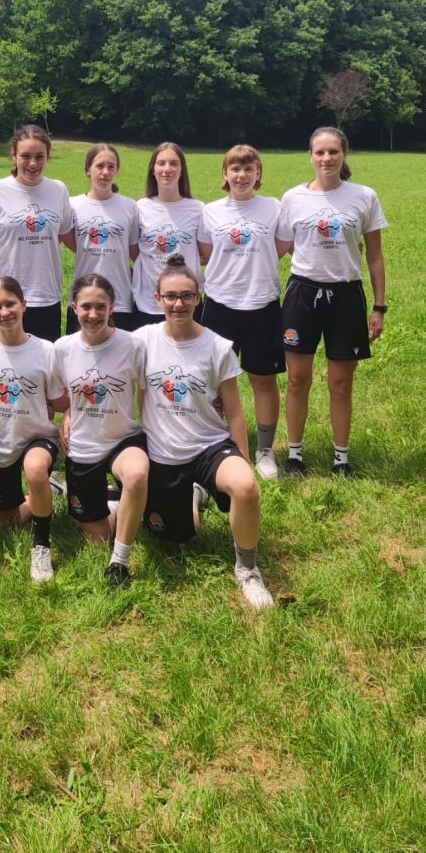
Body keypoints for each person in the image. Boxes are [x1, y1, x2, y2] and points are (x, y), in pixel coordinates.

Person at [136, 255, 274, 609]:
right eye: (170, 296)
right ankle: (193, 497)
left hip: (209, 446)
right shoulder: (142, 341)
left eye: (186, 296)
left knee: (245, 487)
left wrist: (243, 461)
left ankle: (247, 569)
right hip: (164, 453)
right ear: (157, 299)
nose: (178, 304)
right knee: (179, 537)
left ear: (199, 298)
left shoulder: (218, 346)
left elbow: (235, 411)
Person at [276, 127, 388, 477]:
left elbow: (375, 255)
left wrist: (380, 307)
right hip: (302, 295)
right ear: (310, 155)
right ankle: (294, 455)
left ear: (344, 154)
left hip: (346, 296)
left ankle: (341, 458)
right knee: (297, 379)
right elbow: (283, 245)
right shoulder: (292, 198)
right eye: (320, 152)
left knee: (341, 383)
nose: (326, 158)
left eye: (333, 152)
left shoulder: (364, 196)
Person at [52, 274, 149, 587]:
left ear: (112, 308)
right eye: (86, 307)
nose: (93, 314)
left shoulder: (133, 345)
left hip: (124, 439)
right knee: (98, 538)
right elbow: (60, 395)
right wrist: (69, 412)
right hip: (84, 446)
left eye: (100, 306)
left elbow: (147, 390)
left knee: (136, 474)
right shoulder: (63, 348)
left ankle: (119, 563)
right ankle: (116, 501)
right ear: (73, 308)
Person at [198, 145, 284, 480]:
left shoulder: (274, 207)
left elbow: (282, 246)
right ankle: (216, 443)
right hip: (220, 304)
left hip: (262, 304)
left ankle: (264, 450)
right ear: (225, 173)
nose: (242, 175)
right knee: (214, 381)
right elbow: (207, 254)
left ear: (258, 173)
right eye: (235, 169)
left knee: (263, 379)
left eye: (249, 169)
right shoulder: (210, 212)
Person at [0, 277, 65, 583]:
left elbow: (58, 398)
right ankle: (49, 490)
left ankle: (41, 547)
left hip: (39, 436)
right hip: (1, 442)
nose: (5, 312)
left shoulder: (46, 350)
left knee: (35, 468)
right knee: (7, 521)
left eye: (11, 303)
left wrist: (72, 409)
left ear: (24, 305)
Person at [0, 124, 74, 342]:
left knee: (44, 359)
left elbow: (63, 232)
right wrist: (4, 244)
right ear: (13, 155)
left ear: (48, 157)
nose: (33, 163)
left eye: (40, 156)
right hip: (5, 296)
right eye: (25, 156)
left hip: (45, 293)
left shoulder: (58, 190)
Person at [64, 142, 140, 333]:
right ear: (88, 169)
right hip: (83, 299)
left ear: (117, 170)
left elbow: (133, 250)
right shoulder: (72, 205)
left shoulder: (130, 206)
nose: (105, 172)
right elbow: (74, 243)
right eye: (99, 166)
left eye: (111, 167)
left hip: (119, 299)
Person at [131, 141, 205, 328]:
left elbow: (205, 254)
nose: (167, 169)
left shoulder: (198, 209)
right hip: (148, 302)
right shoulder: (139, 207)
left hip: (186, 301)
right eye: (161, 163)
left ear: (182, 171)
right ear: (153, 170)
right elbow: (134, 251)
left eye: (173, 163)